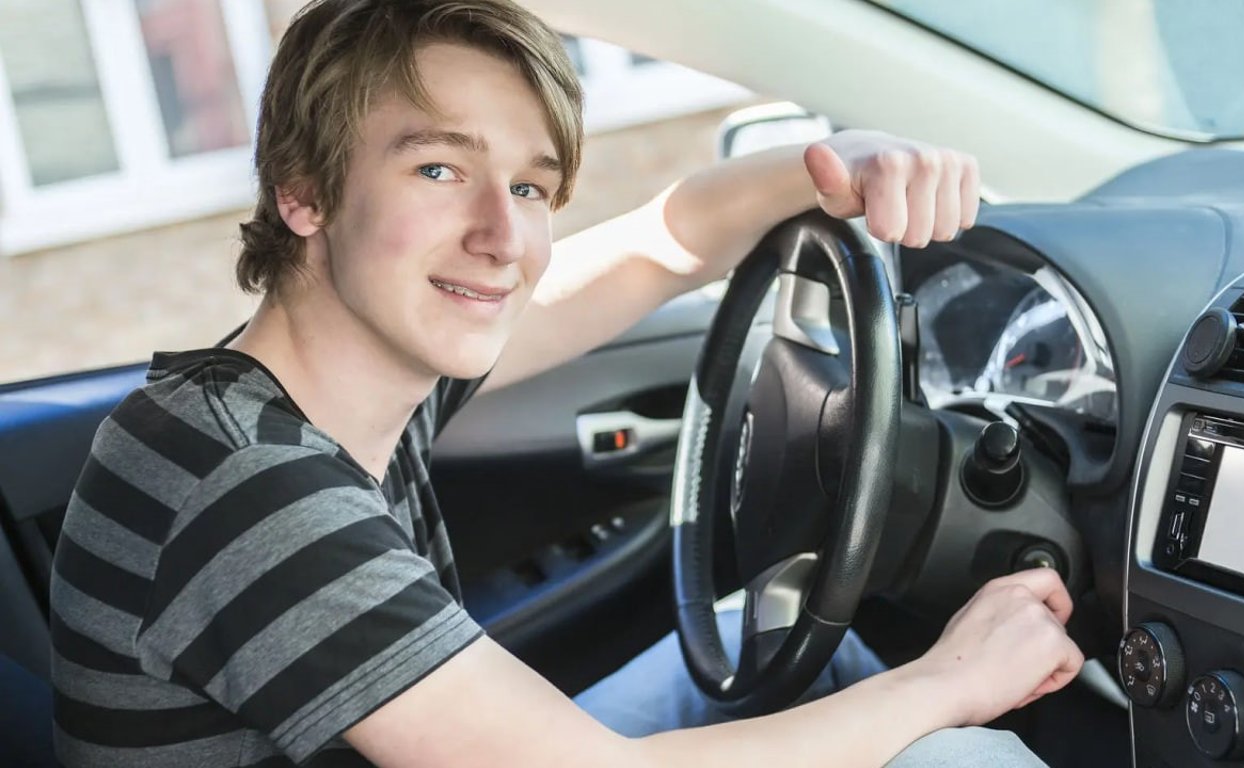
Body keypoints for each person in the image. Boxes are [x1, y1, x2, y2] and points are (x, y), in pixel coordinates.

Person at [49, 0, 1083, 766]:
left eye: (530, 186)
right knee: (961, 751)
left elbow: (662, 243)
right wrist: (953, 681)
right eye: (439, 170)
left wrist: (842, 160)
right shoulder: (250, 487)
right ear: (304, 192)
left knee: (790, 653)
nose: (503, 237)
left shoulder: (321, 383)